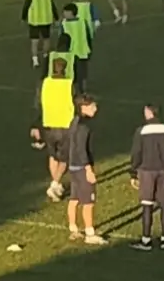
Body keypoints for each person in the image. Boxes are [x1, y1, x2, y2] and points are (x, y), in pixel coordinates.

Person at [130, 103, 164, 251]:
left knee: (147, 205)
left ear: (149, 113)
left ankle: (146, 240)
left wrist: (133, 173)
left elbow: (136, 154)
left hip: (146, 171)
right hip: (163, 170)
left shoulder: (141, 131)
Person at [33, 53, 77, 202]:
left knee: (53, 156)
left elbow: (39, 103)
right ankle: (55, 184)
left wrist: (37, 124)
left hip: (49, 124)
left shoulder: (45, 83)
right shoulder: (69, 84)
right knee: (65, 158)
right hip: (64, 124)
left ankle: (57, 187)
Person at [66, 95, 107, 246]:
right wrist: (89, 169)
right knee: (88, 202)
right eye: (92, 106)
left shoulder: (74, 122)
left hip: (73, 165)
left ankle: (73, 228)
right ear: (84, 107)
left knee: (74, 198)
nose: (95, 108)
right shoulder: (84, 127)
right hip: (82, 167)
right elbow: (82, 149)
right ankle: (90, 233)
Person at [22, 0, 57, 67]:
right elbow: (52, 5)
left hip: (35, 21)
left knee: (34, 41)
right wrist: (56, 17)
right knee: (46, 39)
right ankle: (46, 56)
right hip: (46, 19)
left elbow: (26, 6)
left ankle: (35, 60)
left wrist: (23, 17)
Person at [61, 4, 94, 89]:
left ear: (71, 13)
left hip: (79, 53)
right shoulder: (82, 22)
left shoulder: (64, 24)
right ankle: (76, 91)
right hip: (74, 53)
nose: (64, 14)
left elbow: (87, 36)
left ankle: (83, 91)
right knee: (74, 75)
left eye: (65, 12)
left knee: (82, 75)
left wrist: (89, 49)